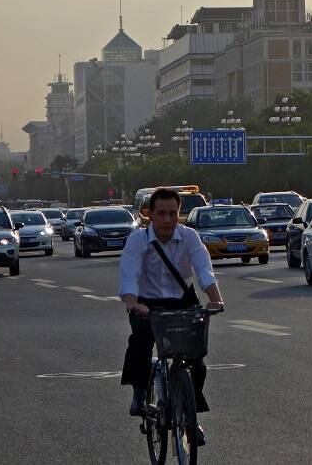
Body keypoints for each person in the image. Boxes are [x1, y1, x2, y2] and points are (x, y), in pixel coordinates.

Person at [119, 188, 224, 447]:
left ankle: (191, 416)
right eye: (161, 213)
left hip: (182, 300)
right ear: (149, 215)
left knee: (196, 359)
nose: (167, 220)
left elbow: (204, 270)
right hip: (146, 303)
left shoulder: (189, 237)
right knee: (141, 340)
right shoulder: (137, 240)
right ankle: (140, 392)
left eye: (173, 214)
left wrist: (215, 299)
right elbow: (129, 274)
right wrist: (133, 303)